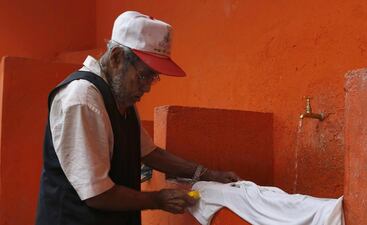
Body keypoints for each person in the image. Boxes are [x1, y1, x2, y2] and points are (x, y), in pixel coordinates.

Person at [35, 11, 239, 225]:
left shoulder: (121, 99)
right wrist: (157, 199)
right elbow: (96, 193)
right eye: (143, 75)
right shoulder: (82, 99)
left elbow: (150, 153)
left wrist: (207, 174)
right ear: (116, 58)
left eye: (154, 77)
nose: (147, 87)